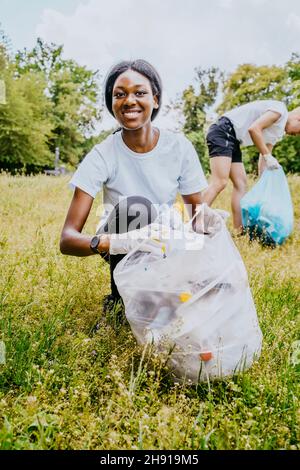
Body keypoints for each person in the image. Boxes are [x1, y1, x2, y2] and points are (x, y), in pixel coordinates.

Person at [60, 59, 224, 308]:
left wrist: (210, 226)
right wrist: (114, 242)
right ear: (112, 104)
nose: (129, 100)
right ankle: (118, 299)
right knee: (134, 208)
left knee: (195, 295)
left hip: (164, 239)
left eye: (140, 92)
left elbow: (196, 215)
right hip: (122, 239)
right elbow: (68, 239)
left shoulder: (179, 147)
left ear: (155, 100)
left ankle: (170, 287)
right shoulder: (103, 154)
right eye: (119, 94)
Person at [202, 100, 300, 232]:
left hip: (234, 139)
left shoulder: (278, 133)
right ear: (298, 119)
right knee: (220, 182)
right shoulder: (279, 111)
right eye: (299, 131)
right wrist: (267, 155)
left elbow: (265, 156)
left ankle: (239, 231)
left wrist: (263, 183)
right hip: (223, 130)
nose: (296, 135)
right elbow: (254, 129)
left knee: (241, 184)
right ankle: (192, 220)